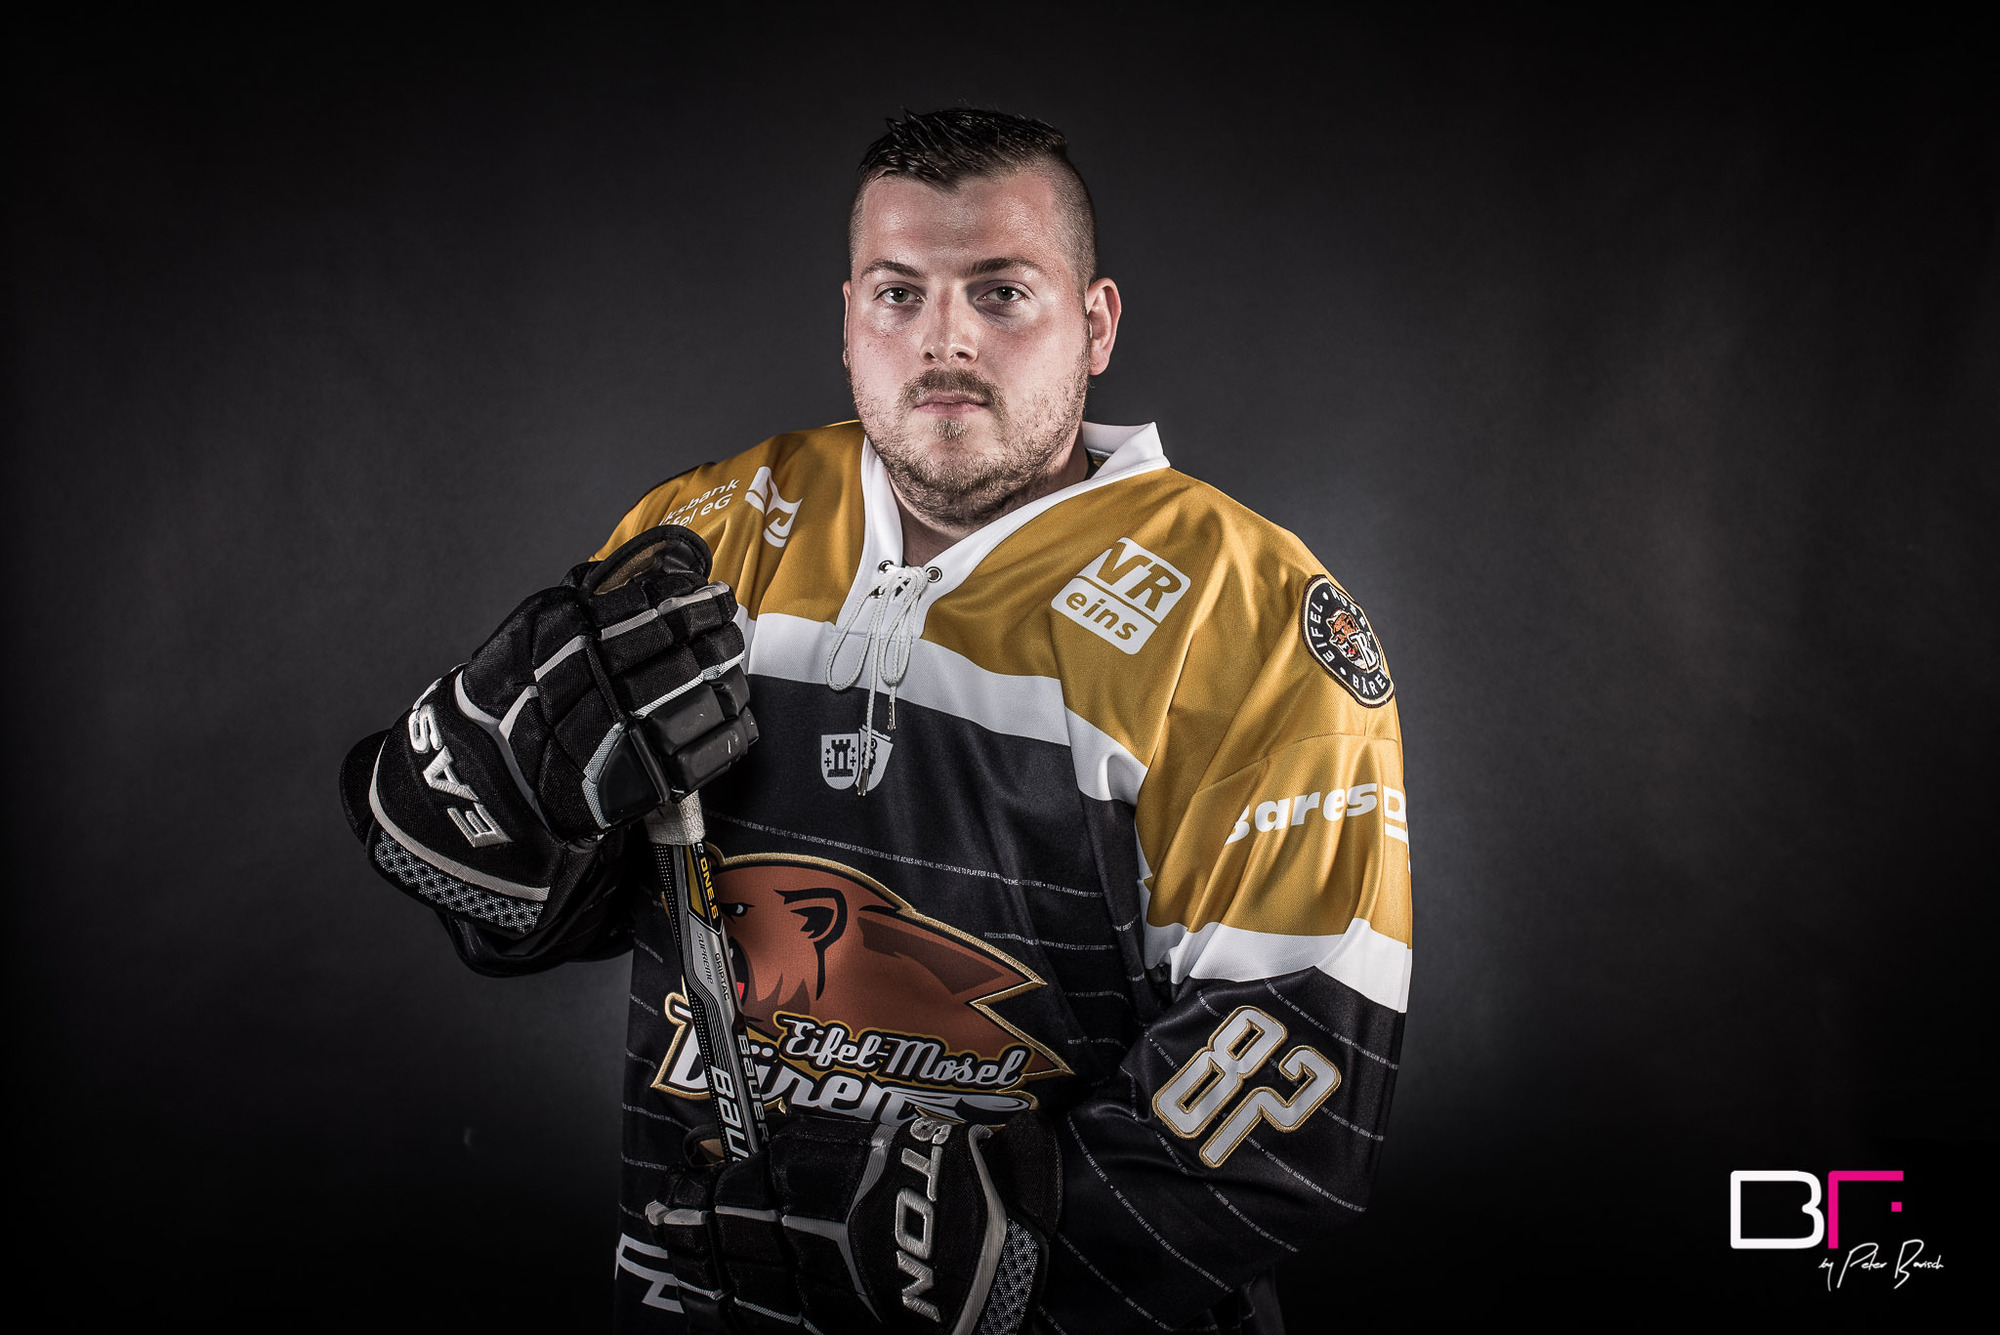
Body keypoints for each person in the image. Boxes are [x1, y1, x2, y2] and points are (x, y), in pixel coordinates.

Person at [341, 108, 1412, 1335]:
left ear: (1096, 324)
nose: (943, 337)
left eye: (1000, 292)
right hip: (699, 1294)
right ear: (848, 317)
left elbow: (1297, 1073)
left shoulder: (1248, 616)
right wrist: (496, 811)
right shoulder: (705, 534)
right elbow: (542, 916)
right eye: (899, 294)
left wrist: (1005, 1249)